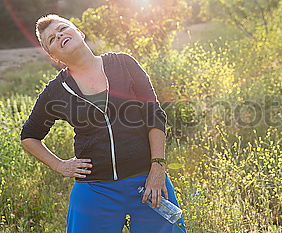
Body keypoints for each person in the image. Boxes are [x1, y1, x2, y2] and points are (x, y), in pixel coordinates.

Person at [20, 14, 187, 233]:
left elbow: (154, 114)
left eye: (63, 28)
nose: (59, 35)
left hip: (147, 181)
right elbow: (29, 136)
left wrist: (158, 168)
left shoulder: (123, 63)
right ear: (54, 57)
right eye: (52, 38)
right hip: (95, 188)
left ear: (79, 33)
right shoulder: (55, 91)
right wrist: (59, 165)